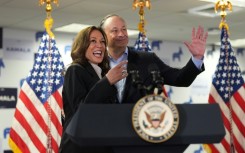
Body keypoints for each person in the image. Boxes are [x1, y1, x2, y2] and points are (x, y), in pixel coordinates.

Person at [99, 14, 208, 104]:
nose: (121, 34)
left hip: (139, 124)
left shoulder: (147, 59)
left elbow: (179, 79)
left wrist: (197, 58)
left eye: (124, 29)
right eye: (115, 30)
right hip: (104, 124)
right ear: (103, 36)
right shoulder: (94, 62)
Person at [59, 26, 127, 153]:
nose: (100, 45)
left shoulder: (102, 74)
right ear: (82, 45)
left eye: (102, 42)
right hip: (79, 147)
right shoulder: (75, 70)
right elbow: (81, 110)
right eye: (93, 41)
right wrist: (107, 82)